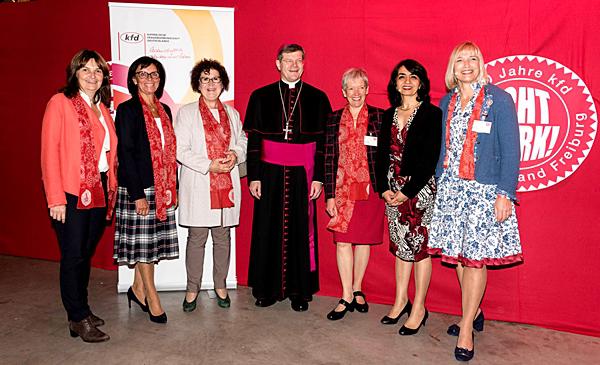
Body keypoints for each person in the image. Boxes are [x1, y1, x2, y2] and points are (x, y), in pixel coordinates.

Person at [428, 41, 522, 362]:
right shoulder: (445, 100)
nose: (466, 65)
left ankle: (466, 325)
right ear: (452, 67)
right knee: (457, 256)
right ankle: (476, 310)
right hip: (452, 189)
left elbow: (511, 150)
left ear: (481, 63)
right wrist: (439, 182)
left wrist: (504, 193)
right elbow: (441, 145)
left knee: (475, 260)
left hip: (484, 191)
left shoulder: (499, 100)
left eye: (472, 59)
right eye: (460, 60)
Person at [244, 43, 332, 311]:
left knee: (299, 229)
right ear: (278, 63)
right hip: (269, 173)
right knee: (266, 228)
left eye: (299, 61)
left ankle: (299, 290)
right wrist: (253, 176)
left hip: (302, 174)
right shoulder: (261, 96)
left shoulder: (317, 97)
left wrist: (318, 178)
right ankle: (266, 289)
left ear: (304, 64)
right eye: (289, 60)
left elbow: (324, 145)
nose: (294, 65)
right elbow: (255, 141)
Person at [41, 49, 117, 342]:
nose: (92, 76)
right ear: (74, 73)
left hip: (97, 187)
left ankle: (81, 308)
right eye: (85, 70)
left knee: (84, 254)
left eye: (97, 70)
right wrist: (56, 198)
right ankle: (77, 318)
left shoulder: (102, 107)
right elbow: (49, 153)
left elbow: (108, 154)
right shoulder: (60, 103)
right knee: (73, 255)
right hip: (71, 191)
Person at [375, 59, 442, 335]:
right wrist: (383, 188)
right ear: (395, 82)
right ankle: (401, 300)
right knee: (401, 248)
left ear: (421, 83)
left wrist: (407, 193)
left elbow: (429, 160)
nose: (407, 81)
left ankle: (419, 308)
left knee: (419, 249)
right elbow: (380, 155)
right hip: (392, 192)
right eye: (401, 76)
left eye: (413, 77)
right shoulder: (388, 113)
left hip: (419, 191)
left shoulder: (431, 114)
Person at [174, 59, 247, 312]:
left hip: (226, 185)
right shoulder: (186, 113)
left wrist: (235, 155)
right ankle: (192, 288)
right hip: (200, 184)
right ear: (198, 83)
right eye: (205, 79)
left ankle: (220, 285)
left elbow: (243, 141)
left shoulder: (232, 114)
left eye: (215, 78)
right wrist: (208, 165)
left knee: (223, 237)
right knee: (197, 238)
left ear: (223, 83)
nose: (211, 84)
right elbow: (180, 150)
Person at [113, 56, 179, 324]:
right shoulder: (128, 110)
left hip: (162, 186)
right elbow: (126, 154)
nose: (149, 79)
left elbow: (169, 152)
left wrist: (172, 186)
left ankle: (137, 290)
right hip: (138, 187)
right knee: (144, 249)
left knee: (150, 245)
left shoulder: (165, 109)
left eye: (154, 74)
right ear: (133, 79)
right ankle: (152, 298)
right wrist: (137, 193)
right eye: (143, 74)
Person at [323, 68, 385, 320]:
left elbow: (386, 157)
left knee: (364, 240)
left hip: (370, 190)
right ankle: (346, 294)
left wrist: (384, 184)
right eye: (351, 88)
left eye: (361, 87)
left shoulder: (381, 117)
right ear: (344, 92)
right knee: (344, 241)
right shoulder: (333, 119)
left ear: (367, 89)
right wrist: (329, 194)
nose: (356, 92)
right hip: (341, 190)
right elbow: (328, 158)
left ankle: (358, 287)